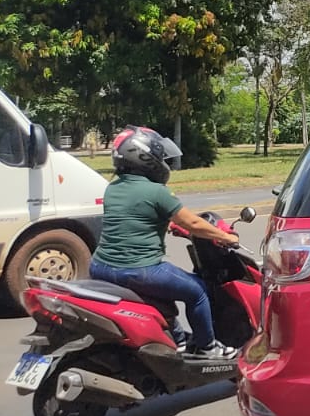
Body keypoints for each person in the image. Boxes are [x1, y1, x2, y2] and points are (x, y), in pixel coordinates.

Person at [89, 126, 240, 358]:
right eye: (158, 155)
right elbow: (195, 224)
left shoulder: (113, 188)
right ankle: (208, 347)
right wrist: (226, 237)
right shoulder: (157, 192)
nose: (162, 161)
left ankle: (177, 339)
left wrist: (169, 225)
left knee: (163, 293)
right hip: (139, 269)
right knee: (197, 290)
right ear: (143, 157)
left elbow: (134, 216)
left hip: (101, 267)